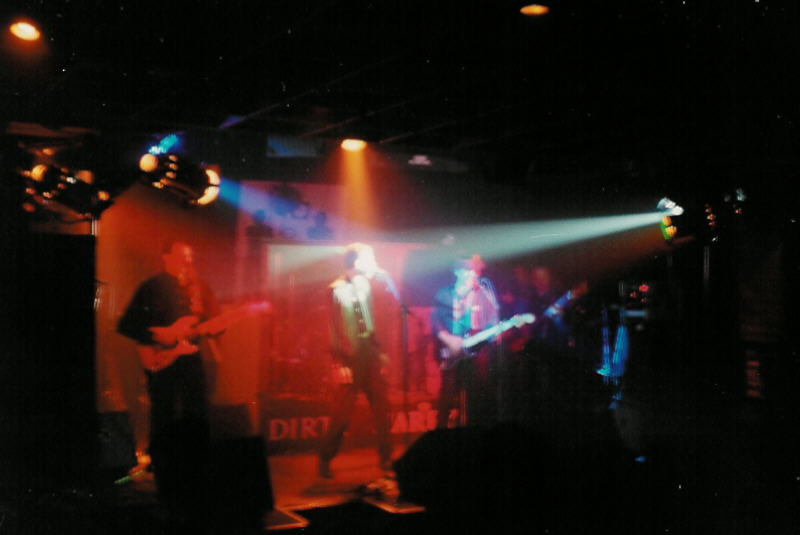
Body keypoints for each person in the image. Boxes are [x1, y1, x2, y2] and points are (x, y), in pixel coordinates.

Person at [117, 241, 221, 521]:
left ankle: (195, 472)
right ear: (165, 257)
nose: (188, 260)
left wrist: (216, 327)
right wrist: (159, 336)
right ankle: (163, 472)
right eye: (182, 255)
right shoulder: (151, 287)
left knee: (197, 411)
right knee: (163, 412)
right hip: (161, 362)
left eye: (190, 256)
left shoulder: (200, 288)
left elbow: (214, 321)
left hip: (192, 361)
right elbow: (126, 324)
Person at [318, 242, 393, 478]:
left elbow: (371, 320)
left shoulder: (366, 284)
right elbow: (332, 328)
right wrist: (338, 362)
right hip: (349, 356)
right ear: (357, 261)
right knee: (342, 413)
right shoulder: (336, 289)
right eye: (369, 257)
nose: (373, 261)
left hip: (369, 352)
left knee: (381, 408)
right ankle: (325, 458)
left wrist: (379, 351)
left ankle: (386, 458)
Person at [431, 254, 500, 428]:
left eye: (473, 269)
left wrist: (491, 333)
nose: (473, 273)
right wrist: (450, 340)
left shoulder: (482, 293)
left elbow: (492, 321)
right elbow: (435, 323)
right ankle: (440, 431)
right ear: (457, 271)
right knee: (447, 394)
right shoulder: (445, 294)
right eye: (468, 269)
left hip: (474, 353)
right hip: (450, 352)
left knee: (475, 395)